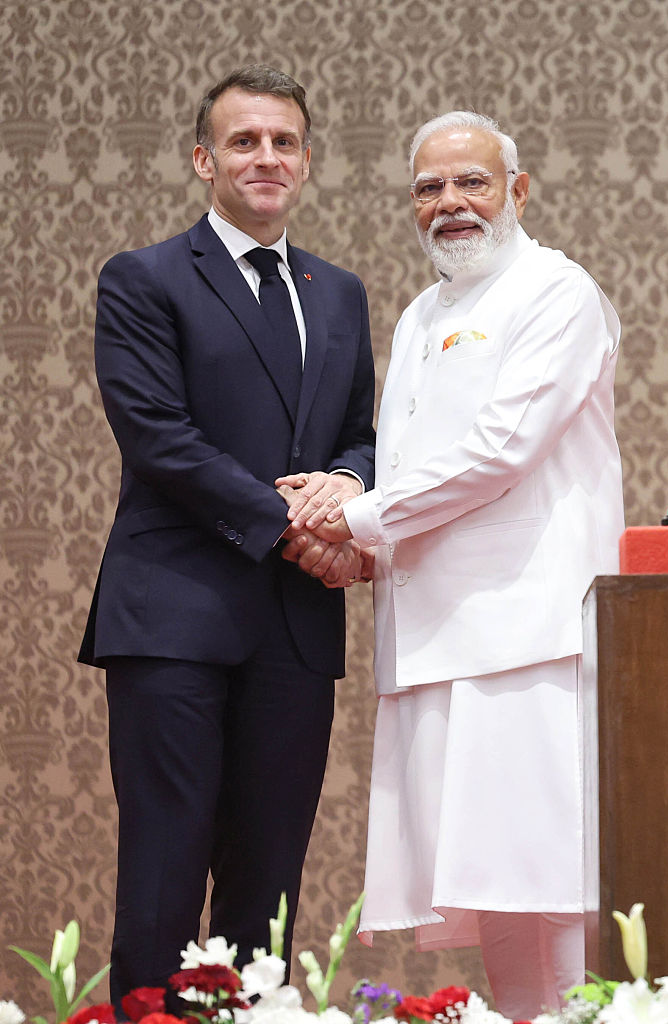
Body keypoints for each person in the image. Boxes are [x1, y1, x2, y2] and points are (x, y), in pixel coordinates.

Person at [279, 111, 624, 1020]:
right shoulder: (421, 314)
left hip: (531, 632)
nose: (449, 204)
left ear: (517, 191)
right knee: (490, 892)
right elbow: (410, 468)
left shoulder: (558, 291)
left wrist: (349, 516)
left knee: (552, 880)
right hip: (434, 633)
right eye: (428, 188)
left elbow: (501, 451)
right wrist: (354, 525)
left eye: (471, 182)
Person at [78, 63, 375, 1008]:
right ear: (205, 159)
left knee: (269, 883)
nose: (266, 157)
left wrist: (349, 487)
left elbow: (364, 435)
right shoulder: (143, 278)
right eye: (244, 140)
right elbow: (158, 436)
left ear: (307, 161)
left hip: (294, 626)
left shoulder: (341, 293)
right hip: (175, 617)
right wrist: (294, 517)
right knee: (167, 869)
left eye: (284, 141)